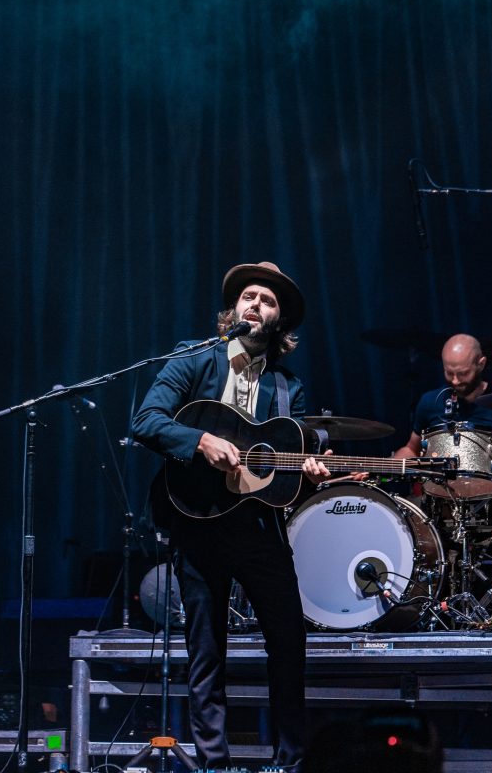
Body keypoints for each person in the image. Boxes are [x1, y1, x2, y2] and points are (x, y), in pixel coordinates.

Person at [132, 261, 331, 772]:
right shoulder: (194, 360)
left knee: (288, 639)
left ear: (279, 320)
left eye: (266, 301)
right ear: (233, 309)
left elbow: (287, 461)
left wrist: (307, 469)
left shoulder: (288, 386)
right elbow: (146, 421)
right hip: (197, 519)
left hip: (257, 527)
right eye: (247, 297)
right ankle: (215, 764)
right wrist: (199, 440)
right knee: (206, 650)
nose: (254, 305)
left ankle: (289, 761)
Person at [394, 334, 492, 461]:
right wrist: (385, 467)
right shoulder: (430, 402)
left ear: (481, 364)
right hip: (439, 484)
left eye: (463, 373)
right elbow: (412, 448)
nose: (455, 381)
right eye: (449, 373)